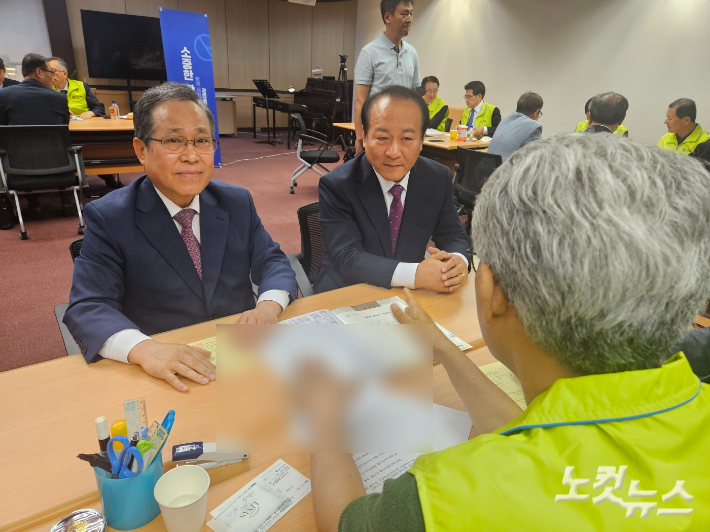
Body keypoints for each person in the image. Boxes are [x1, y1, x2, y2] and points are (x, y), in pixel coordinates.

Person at [310, 133, 710, 530]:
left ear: (492, 292)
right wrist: (445, 349)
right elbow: (540, 432)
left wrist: (324, 415)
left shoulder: (452, 496)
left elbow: (343, 523)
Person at [64, 82, 296, 392]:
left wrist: (268, 306)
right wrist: (144, 349)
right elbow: (88, 306)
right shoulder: (110, 216)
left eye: (201, 140)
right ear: (141, 150)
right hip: (166, 368)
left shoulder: (236, 201)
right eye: (174, 140)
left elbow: (273, 262)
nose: (191, 156)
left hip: (241, 356)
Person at [314, 85, 471, 294]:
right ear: (365, 136)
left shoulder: (437, 177)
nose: (394, 152)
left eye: (407, 139)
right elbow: (348, 257)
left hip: (408, 295)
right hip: (348, 290)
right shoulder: (337, 184)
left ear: (422, 140)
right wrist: (416, 274)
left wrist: (458, 261)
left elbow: (452, 234)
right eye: (382, 138)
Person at [0, 53, 75, 217]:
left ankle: (34, 204)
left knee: (20, 148)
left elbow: (3, 129)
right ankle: (67, 201)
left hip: (19, 168)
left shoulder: (4, 95)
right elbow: (64, 129)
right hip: (59, 165)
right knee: (61, 146)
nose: (53, 78)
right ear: (39, 72)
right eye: (51, 73)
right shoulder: (59, 98)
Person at [353, 0, 419, 155]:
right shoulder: (369, 52)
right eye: (404, 14)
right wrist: (360, 135)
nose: (409, 19)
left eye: (411, 13)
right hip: (378, 131)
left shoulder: (412, 53)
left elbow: (415, 97)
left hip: (404, 131)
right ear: (387, 17)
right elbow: (359, 101)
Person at [48, 56, 122, 189]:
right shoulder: (47, 90)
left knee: (97, 147)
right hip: (61, 131)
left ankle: (106, 174)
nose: (50, 75)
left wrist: (91, 112)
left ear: (64, 73)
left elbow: (99, 107)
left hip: (83, 128)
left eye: (53, 71)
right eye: (48, 72)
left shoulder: (80, 86)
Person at [487, 91, 543, 162]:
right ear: (536, 112)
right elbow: (535, 158)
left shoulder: (505, 119)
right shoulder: (534, 126)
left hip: (485, 170)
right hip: (504, 171)